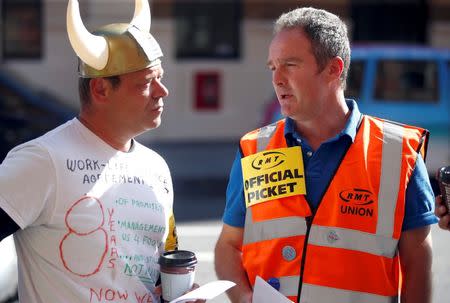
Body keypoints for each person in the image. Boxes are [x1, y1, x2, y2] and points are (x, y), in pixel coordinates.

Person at [214, 7, 436, 303]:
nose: (277, 79)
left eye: (290, 65)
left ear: (333, 68)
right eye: (272, 67)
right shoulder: (255, 149)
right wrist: (243, 298)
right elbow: (228, 246)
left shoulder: (398, 154)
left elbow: (418, 263)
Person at [0, 0, 201, 302]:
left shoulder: (155, 166)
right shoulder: (44, 160)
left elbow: (162, 267)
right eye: (147, 82)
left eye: (161, 78)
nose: (162, 91)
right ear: (101, 90)